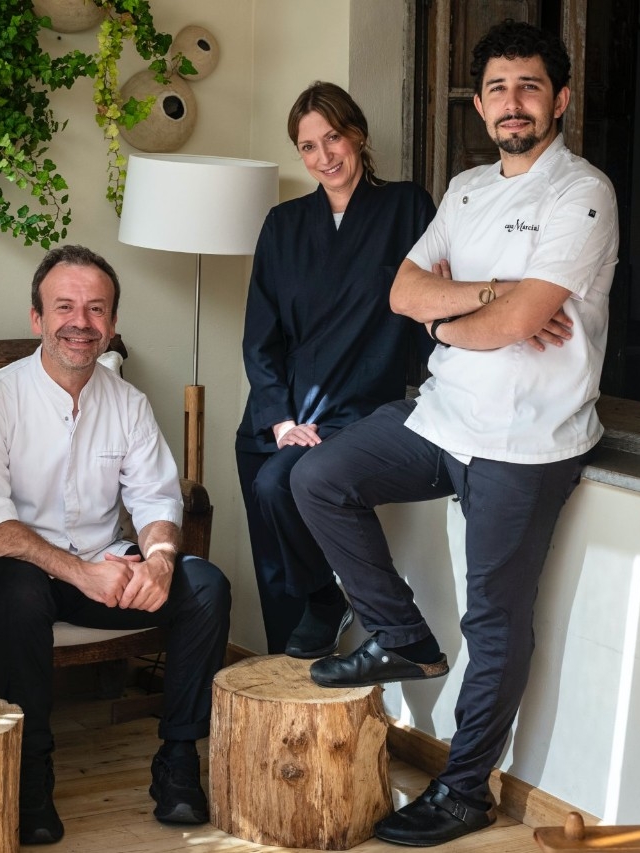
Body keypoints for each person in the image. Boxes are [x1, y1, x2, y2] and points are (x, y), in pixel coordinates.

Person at [291, 20, 619, 847]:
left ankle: (465, 789)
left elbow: (519, 321)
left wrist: (462, 312)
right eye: (498, 88)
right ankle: (403, 637)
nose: (513, 102)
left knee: (494, 621)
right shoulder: (467, 189)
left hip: (527, 440)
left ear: (560, 100)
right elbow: (403, 291)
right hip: (443, 417)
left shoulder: (583, 193)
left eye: (530, 86)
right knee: (318, 477)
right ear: (479, 105)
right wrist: (493, 295)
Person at [0, 245, 231, 845]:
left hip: (102, 567)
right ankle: (30, 774)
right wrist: (82, 574)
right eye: (64, 307)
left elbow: (156, 500)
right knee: (24, 590)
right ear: (37, 318)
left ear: (112, 322)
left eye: (96, 308)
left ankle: (178, 759)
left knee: (206, 586)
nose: (80, 322)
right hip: (6, 566)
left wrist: (159, 562)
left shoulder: (128, 403)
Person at [236, 81, 436, 657]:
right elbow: (260, 335)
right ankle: (292, 662)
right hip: (280, 413)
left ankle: (327, 600)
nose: (324, 156)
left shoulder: (407, 208)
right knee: (273, 549)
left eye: (333, 138)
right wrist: (280, 421)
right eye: (308, 146)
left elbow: (432, 301)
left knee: (278, 484)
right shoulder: (283, 224)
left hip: (360, 405)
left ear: (358, 135)